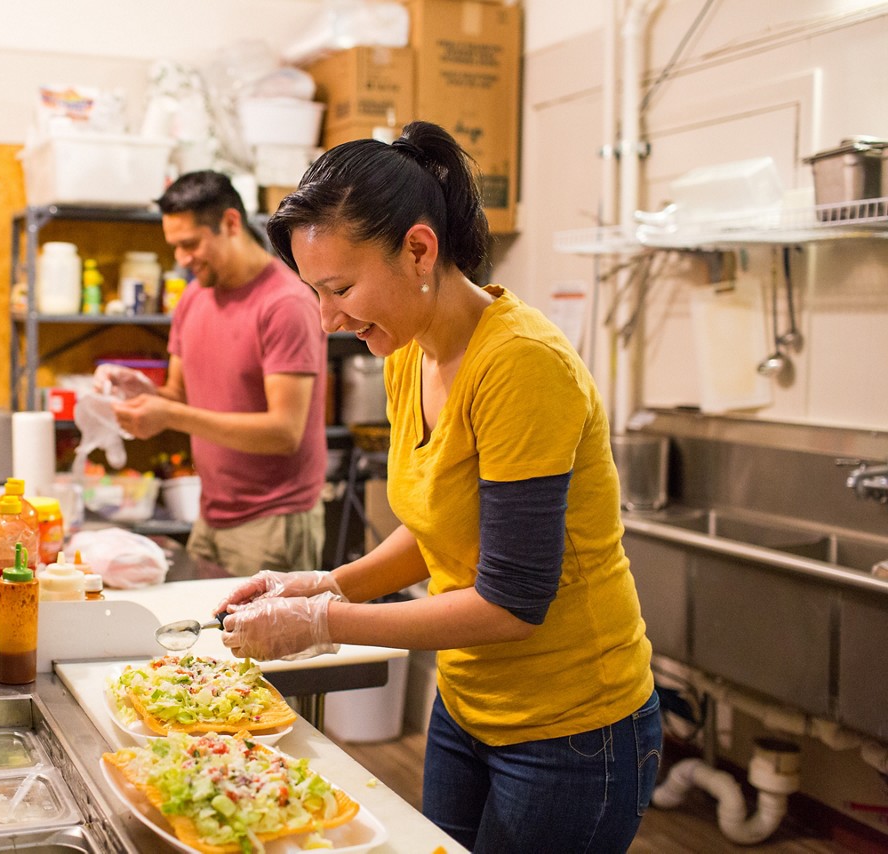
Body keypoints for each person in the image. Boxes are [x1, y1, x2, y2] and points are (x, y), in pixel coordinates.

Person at [216, 122, 661, 852]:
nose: (329, 318)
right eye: (315, 294)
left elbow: (513, 602)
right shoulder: (407, 351)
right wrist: (325, 584)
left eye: (341, 288)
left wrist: (325, 623)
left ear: (419, 249)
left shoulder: (519, 364)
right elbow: (437, 527)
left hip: (575, 729)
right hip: (469, 706)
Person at [95, 170, 329, 577]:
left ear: (231, 223)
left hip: (274, 520)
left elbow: (285, 431)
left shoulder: (285, 304)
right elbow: (182, 397)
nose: (182, 259)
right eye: (175, 247)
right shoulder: (193, 297)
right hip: (211, 514)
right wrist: (144, 390)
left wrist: (169, 416)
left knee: (270, 641)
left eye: (190, 244)